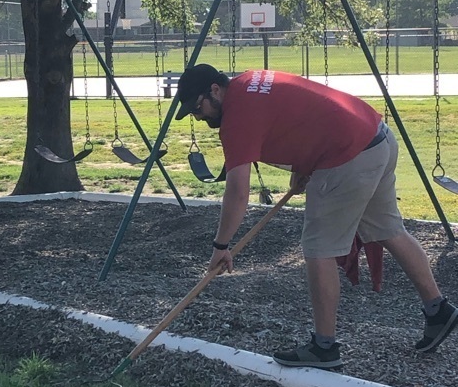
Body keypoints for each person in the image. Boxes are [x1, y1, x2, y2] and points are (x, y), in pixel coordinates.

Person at [174, 64, 457, 369]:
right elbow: (300, 116)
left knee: (319, 249)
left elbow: (238, 193)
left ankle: (324, 347)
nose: (198, 116)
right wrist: (301, 167)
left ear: (215, 91)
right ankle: (438, 310)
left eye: (197, 107)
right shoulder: (252, 80)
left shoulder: (236, 118)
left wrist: (221, 245)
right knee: (389, 229)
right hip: (376, 138)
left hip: (347, 155)